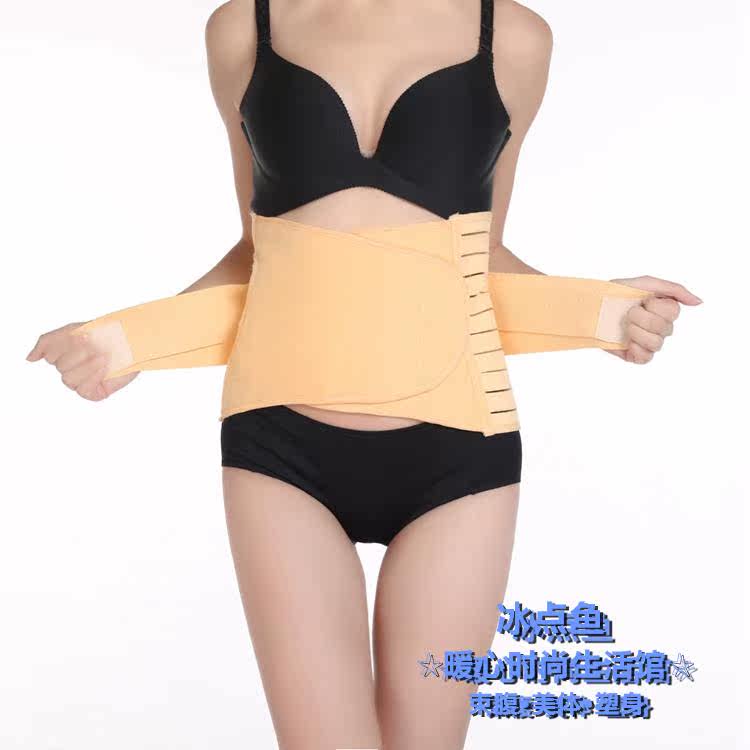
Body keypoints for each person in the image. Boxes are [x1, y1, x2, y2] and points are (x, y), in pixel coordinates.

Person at [26, 2, 700, 748]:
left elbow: (474, 258)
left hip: (459, 450)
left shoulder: (513, 38)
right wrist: (122, 345)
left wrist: (605, 313)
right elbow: (262, 251)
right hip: (279, 448)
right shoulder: (245, 27)